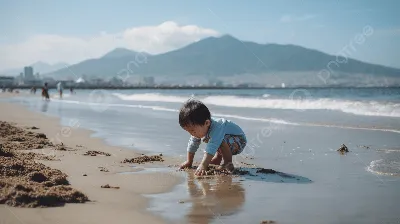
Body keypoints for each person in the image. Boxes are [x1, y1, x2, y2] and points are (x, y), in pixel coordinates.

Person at [179, 99, 247, 176]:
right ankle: (218, 158)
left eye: (193, 131)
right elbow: (193, 144)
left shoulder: (217, 127)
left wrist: (203, 165)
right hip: (225, 139)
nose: (191, 134)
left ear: (207, 123)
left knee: (217, 140)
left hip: (239, 141)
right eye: (188, 131)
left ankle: (228, 163)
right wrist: (189, 161)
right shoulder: (200, 128)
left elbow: (212, 147)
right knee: (211, 138)